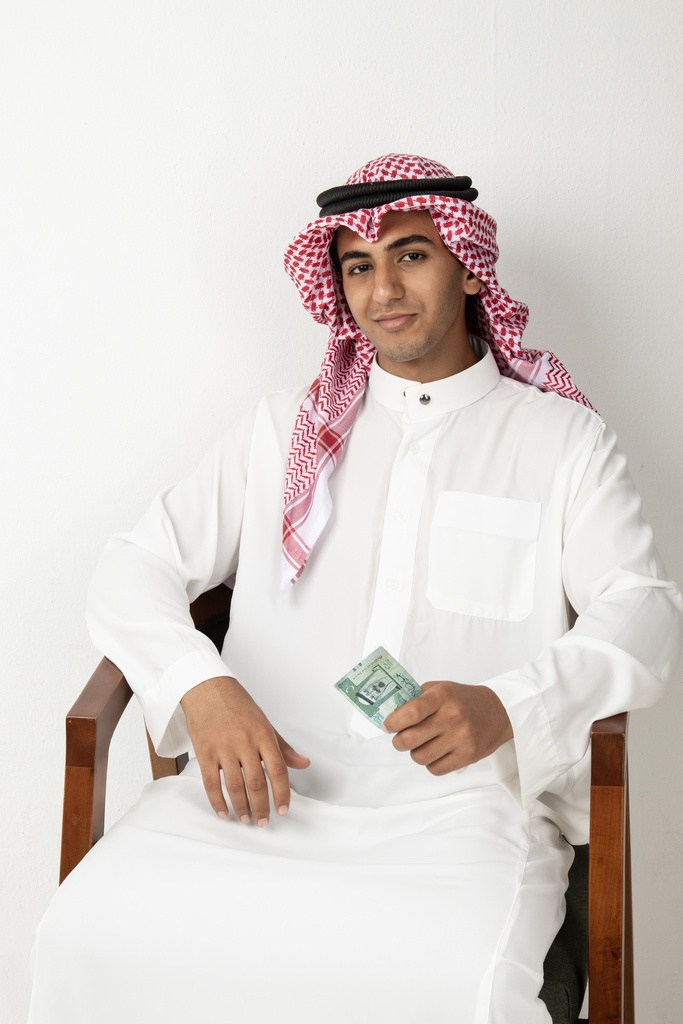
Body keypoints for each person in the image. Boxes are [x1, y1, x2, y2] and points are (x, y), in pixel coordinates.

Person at [29, 153, 682, 1023]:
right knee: (84, 932)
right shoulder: (279, 433)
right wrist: (202, 686)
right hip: (261, 798)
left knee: (462, 984)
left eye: (410, 254)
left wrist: (508, 704)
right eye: (358, 266)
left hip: (455, 817)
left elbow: (642, 609)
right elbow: (130, 565)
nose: (384, 290)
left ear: (465, 264)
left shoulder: (563, 442)